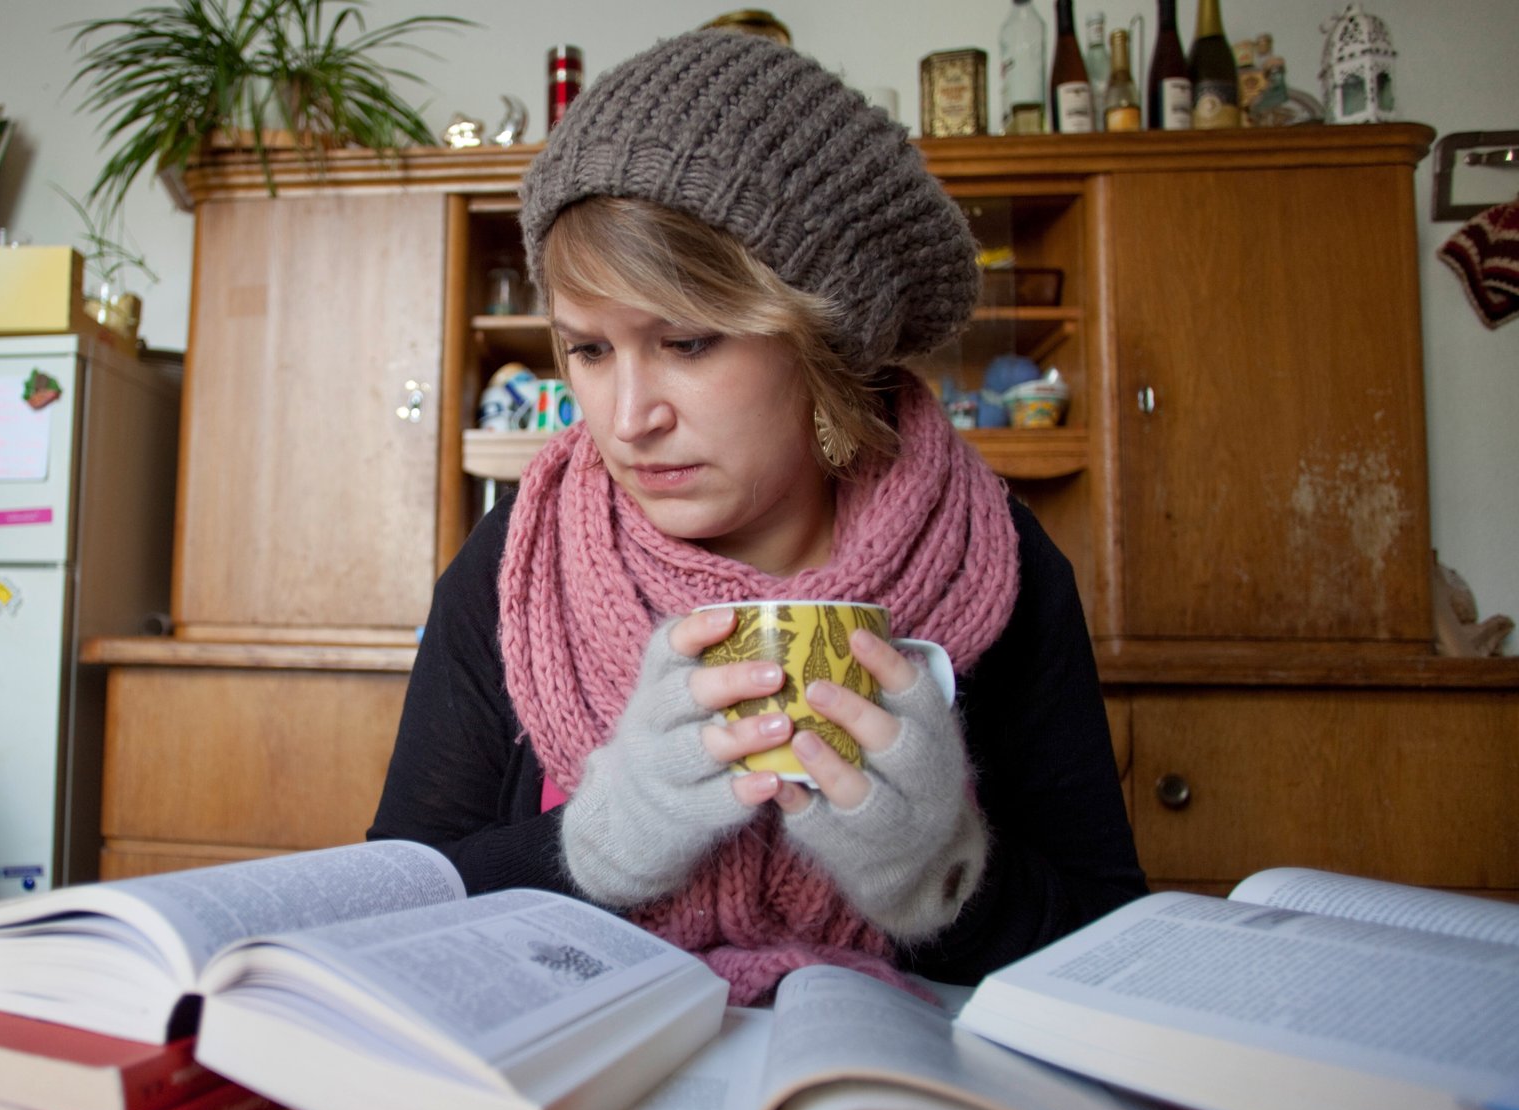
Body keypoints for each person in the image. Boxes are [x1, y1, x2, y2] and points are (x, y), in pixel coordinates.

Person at [368, 29, 1146, 1002]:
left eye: (687, 342)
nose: (625, 418)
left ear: (826, 338)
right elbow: (393, 911)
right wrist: (593, 849)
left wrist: (945, 873)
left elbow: (1108, 949)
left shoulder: (994, 564)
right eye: (587, 350)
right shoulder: (517, 564)